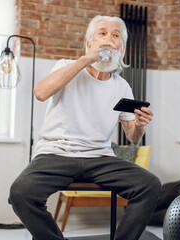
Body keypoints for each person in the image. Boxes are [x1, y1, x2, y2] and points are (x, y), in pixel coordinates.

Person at [9, 15, 161, 240]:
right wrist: (86, 59)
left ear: (122, 48)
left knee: (149, 184)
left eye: (115, 35)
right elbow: (40, 93)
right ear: (89, 43)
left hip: (100, 157)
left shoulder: (122, 86)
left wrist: (139, 125)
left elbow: (133, 138)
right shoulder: (66, 66)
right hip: (56, 153)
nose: (109, 39)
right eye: (102, 33)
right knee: (21, 193)